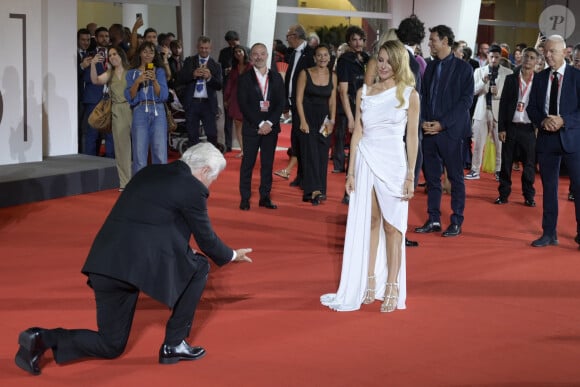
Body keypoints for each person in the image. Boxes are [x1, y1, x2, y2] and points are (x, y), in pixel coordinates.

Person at [14, 143, 253, 376]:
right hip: (136, 267)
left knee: (110, 345)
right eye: (214, 178)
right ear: (204, 171)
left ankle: (40, 338)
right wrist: (232, 255)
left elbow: (152, 219)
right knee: (199, 266)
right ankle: (175, 344)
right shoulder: (192, 186)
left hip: (104, 264)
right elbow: (207, 241)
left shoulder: (150, 171)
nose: (211, 184)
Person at [321, 40, 419, 312]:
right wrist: (350, 172)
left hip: (395, 164)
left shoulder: (409, 94)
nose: (384, 66)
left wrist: (411, 175)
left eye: (389, 61)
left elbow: (412, 138)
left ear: (399, 63)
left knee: (394, 226)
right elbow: (358, 134)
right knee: (372, 222)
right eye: (381, 60)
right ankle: (369, 281)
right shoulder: (364, 92)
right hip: (366, 160)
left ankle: (393, 286)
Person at [414, 25, 473, 238]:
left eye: (433, 40)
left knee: (456, 178)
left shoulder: (463, 68)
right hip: (430, 131)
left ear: (445, 41)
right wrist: (424, 122)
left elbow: (465, 102)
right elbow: (425, 97)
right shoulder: (429, 67)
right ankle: (434, 219)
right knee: (431, 179)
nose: (429, 44)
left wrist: (442, 124)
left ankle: (456, 221)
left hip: (452, 133)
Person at [527, 35, 580, 248]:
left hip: (573, 140)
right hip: (547, 140)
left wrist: (563, 120)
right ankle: (549, 233)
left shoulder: (577, 77)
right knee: (549, 188)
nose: (548, 56)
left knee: (578, 188)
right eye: (545, 52)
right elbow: (532, 108)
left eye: (552, 52)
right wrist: (543, 121)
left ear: (564, 52)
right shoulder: (539, 78)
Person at [237, 43, 286, 211]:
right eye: (255, 54)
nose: (259, 57)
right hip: (252, 127)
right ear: (251, 57)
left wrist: (269, 123)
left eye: (262, 53)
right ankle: (245, 198)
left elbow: (281, 103)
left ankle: (265, 197)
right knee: (247, 164)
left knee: (268, 164)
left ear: (267, 56)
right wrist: (260, 123)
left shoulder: (277, 77)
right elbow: (244, 104)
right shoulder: (244, 78)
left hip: (271, 128)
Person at [496, 47, 539, 206]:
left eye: (532, 57)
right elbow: (503, 104)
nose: (528, 59)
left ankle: (529, 196)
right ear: (521, 59)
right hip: (511, 127)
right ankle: (503, 194)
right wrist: (501, 128)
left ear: (536, 61)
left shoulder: (539, 81)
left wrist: (538, 127)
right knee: (506, 163)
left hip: (529, 129)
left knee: (529, 165)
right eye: (526, 56)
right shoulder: (511, 79)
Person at [295, 44, 337, 205]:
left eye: (325, 55)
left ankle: (318, 189)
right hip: (307, 117)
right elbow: (298, 99)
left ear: (329, 57)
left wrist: (332, 121)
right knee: (310, 153)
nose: (323, 58)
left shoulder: (333, 75)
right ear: (314, 58)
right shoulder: (305, 74)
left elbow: (332, 100)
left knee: (321, 154)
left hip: (325, 120)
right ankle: (313, 191)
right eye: (319, 55)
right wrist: (303, 121)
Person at [273, 25, 315, 185]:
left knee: (303, 140)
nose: (286, 39)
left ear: (296, 36)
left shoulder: (310, 54)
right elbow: (289, 78)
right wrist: (286, 103)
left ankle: (304, 177)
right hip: (292, 102)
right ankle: (300, 175)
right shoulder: (291, 53)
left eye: (288, 36)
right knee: (296, 140)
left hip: (305, 104)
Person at [466, 44, 513, 181]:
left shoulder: (508, 73)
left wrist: (498, 94)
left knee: (499, 144)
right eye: (491, 57)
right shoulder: (479, 71)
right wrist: (483, 81)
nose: (493, 60)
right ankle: (475, 170)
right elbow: (473, 91)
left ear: (500, 57)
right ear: (488, 56)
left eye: (496, 57)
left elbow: (510, 94)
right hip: (482, 110)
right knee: (478, 143)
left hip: (499, 112)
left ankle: (499, 170)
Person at [90, 46, 132, 190]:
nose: (113, 57)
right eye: (110, 55)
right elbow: (95, 80)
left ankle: (140, 180)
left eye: (115, 54)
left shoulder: (131, 71)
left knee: (139, 147)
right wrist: (93, 64)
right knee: (122, 149)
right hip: (117, 111)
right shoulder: (109, 73)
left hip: (133, 109)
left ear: (121, 55)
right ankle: (125, 183)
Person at [125, 41, 169, 175]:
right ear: (139, 53)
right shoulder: (131, 73)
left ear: (155, 55)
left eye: (151, 52)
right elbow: (130, 97)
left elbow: (163, 95)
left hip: (158, 111)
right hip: (140, 110)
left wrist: (154, 80)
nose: (148, 55)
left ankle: (160, 185)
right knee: (139, 153)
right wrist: (138, 81)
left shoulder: (159, 71)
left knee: (160, 152)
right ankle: (140, 187)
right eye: (145, 51)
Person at [178, 36, 223, 149]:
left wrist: (209, 78)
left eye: (206, 48)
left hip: (208, 104)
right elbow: (180, 79)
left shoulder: (216, 65)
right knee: (192, 135)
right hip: (192, 103)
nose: (204, 50)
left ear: (210, 48)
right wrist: (192, 75)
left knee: (212, 134)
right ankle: (194, 161)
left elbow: (219, 85)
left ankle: (212, 160)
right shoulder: (189, 61)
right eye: (201, 48)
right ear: (197, 48)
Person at [223, 45, 252, 158]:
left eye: (240, 51)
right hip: (235, 99)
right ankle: (243, 149)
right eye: (236, 52)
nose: (238, 53)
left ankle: (249, 149)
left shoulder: (251, 66)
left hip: (248, 99)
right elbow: (229, 84)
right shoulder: (234, 68)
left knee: (248, 126)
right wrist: (226, 99)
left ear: (244, 52)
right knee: (238, 125)